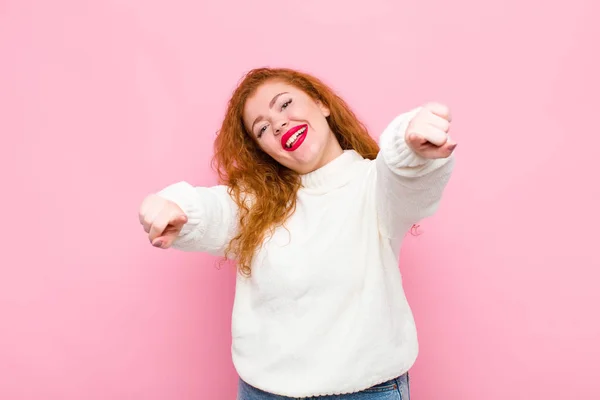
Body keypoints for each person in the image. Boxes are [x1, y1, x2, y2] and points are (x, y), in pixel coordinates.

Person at [138, 67, 456, 399]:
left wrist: (411, 150)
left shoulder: (372, 184)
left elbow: (405, 183)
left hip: (366, 391)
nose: (277, 123)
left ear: (322, 104)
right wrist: (174, 206)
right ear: (265, 150)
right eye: (262, 128)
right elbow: (216, 209)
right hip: (263, 392)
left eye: (285, 104)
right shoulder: (259, 203)